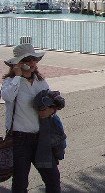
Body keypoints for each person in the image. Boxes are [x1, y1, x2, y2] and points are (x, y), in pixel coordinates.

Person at [1, 43, 62, 192]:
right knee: (20, 183)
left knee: (53, 179)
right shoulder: (10, 82)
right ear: (18, 63)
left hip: (41, 137)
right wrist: (17, 76)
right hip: (19, 139)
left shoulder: (40, 82)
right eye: (28, 60)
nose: (33, 63)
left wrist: (51, 110)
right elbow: (7, 97)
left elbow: (53, 100)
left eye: (34, 59)